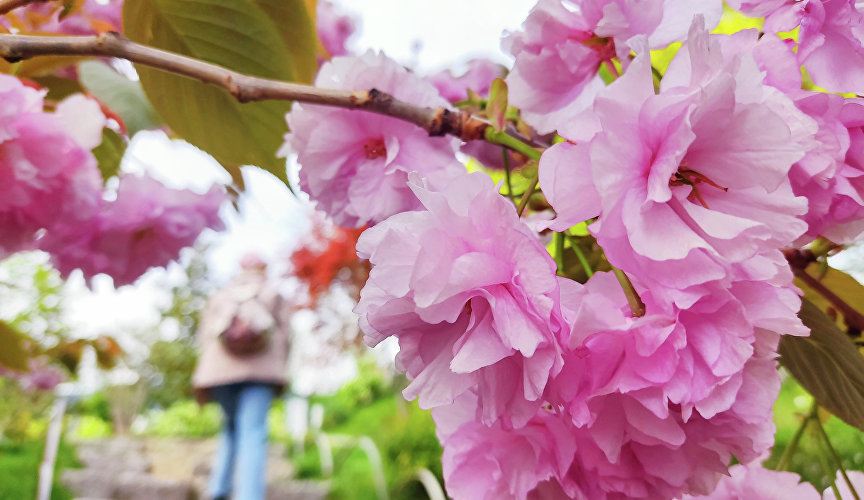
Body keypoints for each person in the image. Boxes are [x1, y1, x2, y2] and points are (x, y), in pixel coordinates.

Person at [192, 253, 291, 500]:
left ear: (241, 268)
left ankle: (218, 489)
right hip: (261, 372)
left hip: (220, 373)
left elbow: (205, 337)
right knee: (253, 431)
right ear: (263, 268)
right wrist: (282, 366)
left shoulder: (221, 295)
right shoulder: (273, 293)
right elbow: (287, 336)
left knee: (230, 427)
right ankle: (249, 495)